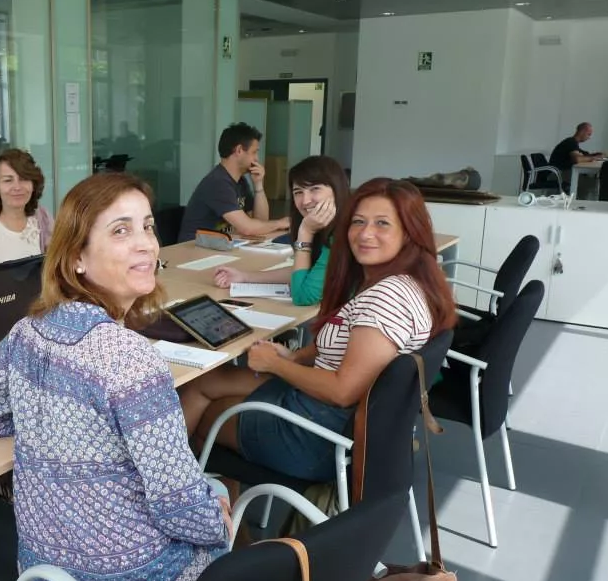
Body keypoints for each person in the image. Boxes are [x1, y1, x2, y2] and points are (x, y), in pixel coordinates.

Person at [0, 173, 230, 581]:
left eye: (148, 227)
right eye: (120, 231)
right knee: (214, 495)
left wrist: (47, 415)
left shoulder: (27, 332)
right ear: (76, 258)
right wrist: (219, 518)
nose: (145, 245)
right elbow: (179, 508)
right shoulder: (133, 361)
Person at [178, 179, 457, 482]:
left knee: (205, 414)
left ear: (408, 233)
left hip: (319, 434)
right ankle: (216, 514)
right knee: (204, 383)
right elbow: (347, 354)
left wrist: (276, 364)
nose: (365, 234)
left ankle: (186, 507)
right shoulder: (408, 281)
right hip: (327, 413)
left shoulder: (385, 299)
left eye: (382, 224)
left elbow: (342, 391)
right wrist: (295, 358)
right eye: (358, 222)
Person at [211, 155, 350, 306]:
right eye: (298, 192)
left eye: (315, 189)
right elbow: (305, 272)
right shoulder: (325, 227)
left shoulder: (342, 234)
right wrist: (245, 277)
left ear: (336, 189)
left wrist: (305, 233)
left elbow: (303, 297)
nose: (305, 200)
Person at [178, 122, 290, 242]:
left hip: (220, 246)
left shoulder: (239, 181)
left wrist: (258, 185)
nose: (256, 159)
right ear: (239, 150)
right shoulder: (218, 183)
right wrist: (280, 223)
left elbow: (260, 221)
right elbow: (247, 228)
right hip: (195, 250)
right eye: (254, 152)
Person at [549, 122, 606, 187]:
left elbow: (584, 154)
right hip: (557, 173)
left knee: (590, 179)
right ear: (582, 131)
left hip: (562, 172)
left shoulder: (573, 142)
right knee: (591, 183)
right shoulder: (570, 142)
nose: (589, 137)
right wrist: (594, 158)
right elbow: (577, 159)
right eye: (589, 134)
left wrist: (596, 155)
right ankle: (580, 196)